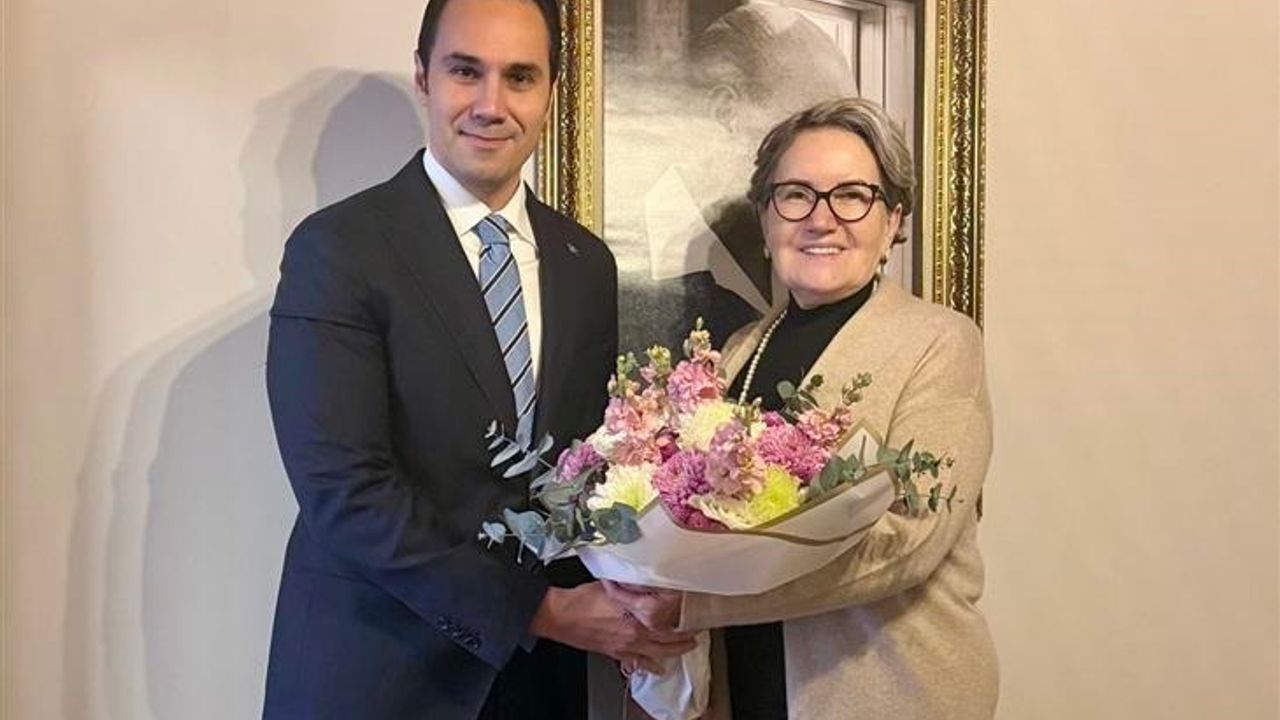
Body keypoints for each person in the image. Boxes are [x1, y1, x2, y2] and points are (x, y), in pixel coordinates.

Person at [262, 1, 692, 718]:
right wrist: (538, 611)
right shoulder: (337, 250)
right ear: (423, 77)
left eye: (520, 77)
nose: (492, 105)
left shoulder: (585, 263)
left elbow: (582, 470)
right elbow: (345, 491)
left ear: (550, 91)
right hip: (378, 675)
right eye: (466, 72)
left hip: (542, 684)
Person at [606, 97, 998, 719]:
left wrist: (703, 604)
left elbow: (911, 538)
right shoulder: (736, 353)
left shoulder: (940, 343)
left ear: (893, 220)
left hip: (883, 693)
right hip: (744, 691)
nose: (822, 219)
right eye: (795, 195)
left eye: (853, 196)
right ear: (766, 219)